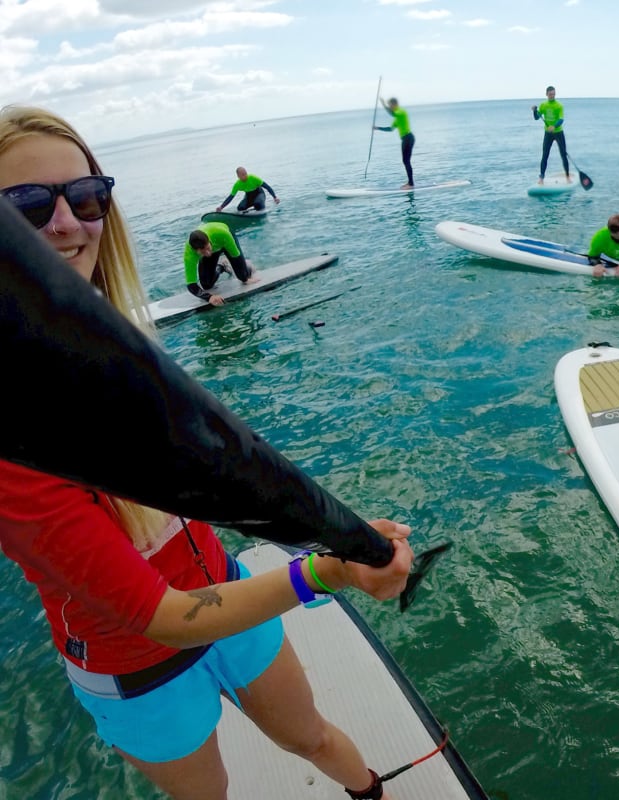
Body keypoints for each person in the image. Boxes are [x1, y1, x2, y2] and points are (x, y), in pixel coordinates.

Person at [0, 104, 411, 800]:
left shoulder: (132, 349)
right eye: (27, 207)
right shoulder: (12, 441)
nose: (67, 221)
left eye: (88, 196)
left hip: (227, 595)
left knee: (311, 736)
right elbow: (159, 616)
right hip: (135, 667)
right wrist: (329, 572)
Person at [184, 220, 257, 306]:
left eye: (207, 248)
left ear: (209, 240)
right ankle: (222, 265)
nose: (208, 253)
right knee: (207, 285)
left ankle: (248, 266)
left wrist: (245, 278)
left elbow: (236, 257)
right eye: (203, 252)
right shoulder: (189, 254)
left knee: (243, 277)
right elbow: (191, 285)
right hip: (215, 244)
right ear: (195, 251)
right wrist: (209, 297)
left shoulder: (222, 234)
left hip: (224, 239)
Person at [532, 85, 570, 185]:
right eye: (550, 94)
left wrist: (554, 126)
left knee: (563, 155)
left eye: (553, 94)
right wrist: (535, 111)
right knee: (545, 155)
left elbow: (561, 119)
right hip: (548, 134)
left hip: (558, 133)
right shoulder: (543, 105)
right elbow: (537, 117)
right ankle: (541, 177)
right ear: (546, 94)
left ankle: (567, 177)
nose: (552, 96)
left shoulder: (559, 105)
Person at [376, 97, 415, 188]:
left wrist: (384, 105)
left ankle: (411, 183)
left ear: (394, 104)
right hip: (405, 139)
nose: (390, 107)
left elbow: (392, 113)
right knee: (405, 161)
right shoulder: (397, 117)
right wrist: (378, 128)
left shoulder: (401, 112)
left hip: (408, 138)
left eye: (390, 105)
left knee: (406, 161)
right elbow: (391, 129)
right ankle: (410, 182)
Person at [215, 167, 279, 213]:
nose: (245, 176)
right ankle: (251, 211)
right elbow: (231, 197)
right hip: (249, 196)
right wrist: (221, 207)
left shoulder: (253, 178)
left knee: (258, 204)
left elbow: (267, 187)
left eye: (245, 173)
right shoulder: (237, 184)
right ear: (238, 176)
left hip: (259, 193)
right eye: (243, 175)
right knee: (240, 208)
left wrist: (275, 197)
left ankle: (258, 207)